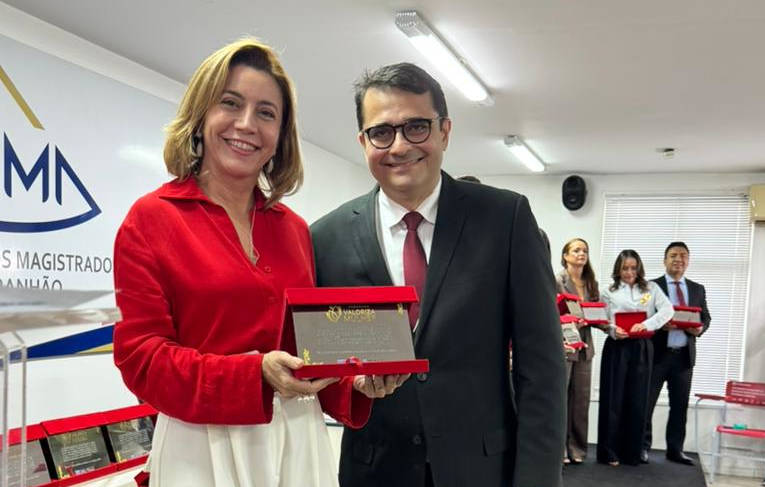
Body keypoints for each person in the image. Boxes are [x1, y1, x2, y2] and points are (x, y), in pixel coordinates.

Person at [112, 39, 405, 487]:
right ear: (201, 115)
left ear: (281, 135)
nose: (247, 124)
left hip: (298, 439)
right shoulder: (150, 219)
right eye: (230, 103)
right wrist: (255, 375)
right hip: (202, 447)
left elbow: (306, 352)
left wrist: (354, 381)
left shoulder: (294, 230)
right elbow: (141, 359)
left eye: (266, 112)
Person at [310, 62, 566, 487]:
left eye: (416, 127)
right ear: (363, 141)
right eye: (381, 132)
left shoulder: (505, 219)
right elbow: (325, 367)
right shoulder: (325, 237)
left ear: (445, 131)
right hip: (374, 471)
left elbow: (542, 367)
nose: (399, 146)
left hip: (482, 470)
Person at [597, 249, 674, 466]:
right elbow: (602, 319)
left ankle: (632, 452)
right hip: (617, 346)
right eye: (625, 268)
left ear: (639, 268)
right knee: (614, 398)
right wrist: (613, 330)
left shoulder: (651, 288)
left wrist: (647, 324)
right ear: (618, 270)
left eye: (633, 268)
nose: (630, 272)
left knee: (638, 398)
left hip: (642, 346)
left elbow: (667, 310)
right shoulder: (608, 291)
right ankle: (609, 452)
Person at [643, 242, 710, 465]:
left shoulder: (697, 289)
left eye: (683, 256)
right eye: (673, 255)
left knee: (679, 407)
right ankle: (642, 447)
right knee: (646, 404)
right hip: (657, 355)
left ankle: (675, 450)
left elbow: (706, 317)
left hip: (683, 357)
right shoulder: (651, 286)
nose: (678, 259)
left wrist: (700, 328)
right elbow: (642, 314)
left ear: (688, 261)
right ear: (665, 260)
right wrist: (658, 324)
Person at [556, 238, 599, 465]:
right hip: (564, 343)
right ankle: (559, 448)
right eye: (576, 250)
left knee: (581, 400)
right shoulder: (557, 280)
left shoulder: (591, 283)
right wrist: (570, 319)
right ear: (565, 256)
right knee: (561, 398)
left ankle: (577, 448)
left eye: (585, 250)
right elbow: (550, 311)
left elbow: (598, 313)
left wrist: (608, 325)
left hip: (585, 347)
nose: (581, 253)